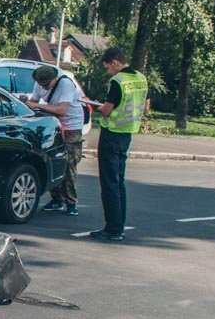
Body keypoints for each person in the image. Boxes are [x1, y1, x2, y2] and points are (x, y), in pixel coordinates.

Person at [90, 47, 148, 242]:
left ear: (115, 62)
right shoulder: (140, 77)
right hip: (127, 133)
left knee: (109, 183)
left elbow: (107, 110)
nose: (108, 72)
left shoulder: (118, 81)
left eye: (108, 67)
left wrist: (93, 105)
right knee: (119, 182)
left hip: (112, 133)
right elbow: (146, 105)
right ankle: (119, 225)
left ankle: (113, 228)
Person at [25, 65, 85, 216]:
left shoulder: (65, 84)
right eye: (41, 84)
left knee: (69, 164)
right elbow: (33, 101)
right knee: (52, 160)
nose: (43, 87)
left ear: (55, 79)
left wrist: (37, 105)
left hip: (72, 127)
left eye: (47, 84)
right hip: (54, 125)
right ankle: (57, 199)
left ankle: (71, 202)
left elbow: (62, 110)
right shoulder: (39, 83)